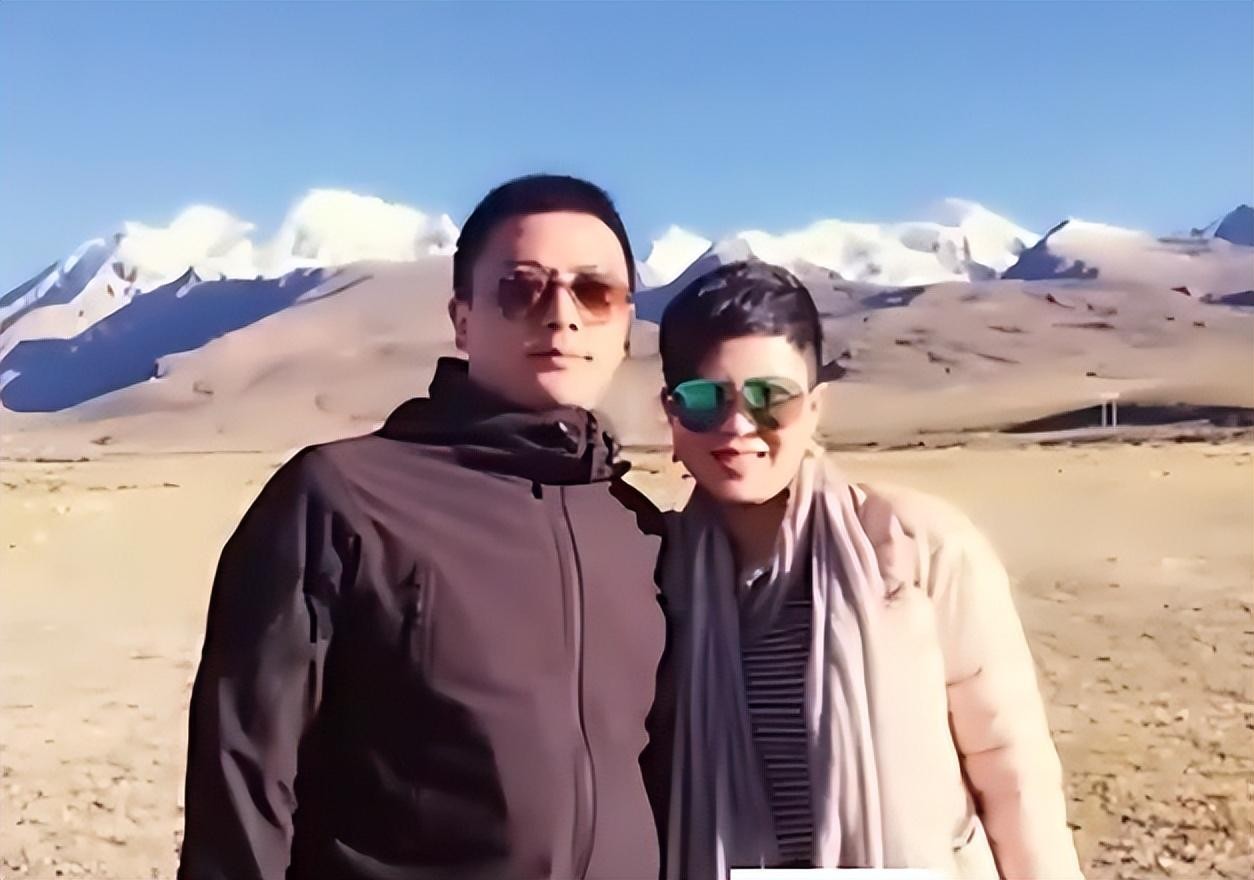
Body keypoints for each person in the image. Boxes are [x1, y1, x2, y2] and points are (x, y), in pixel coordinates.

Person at [179, 174, 669, 880]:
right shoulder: (345, 500)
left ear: (625, 324)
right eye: (522, 288)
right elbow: (244, 778)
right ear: (462, 318)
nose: (562, 316)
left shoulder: (641, 532)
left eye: (594, 292)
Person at [654, 260, 1083, 879]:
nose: (738, 426)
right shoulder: (653, 574)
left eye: (770, 398)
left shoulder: (918, 546)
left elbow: (1010, 765)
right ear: (670, 413)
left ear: (815, 407)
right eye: (704, 400)